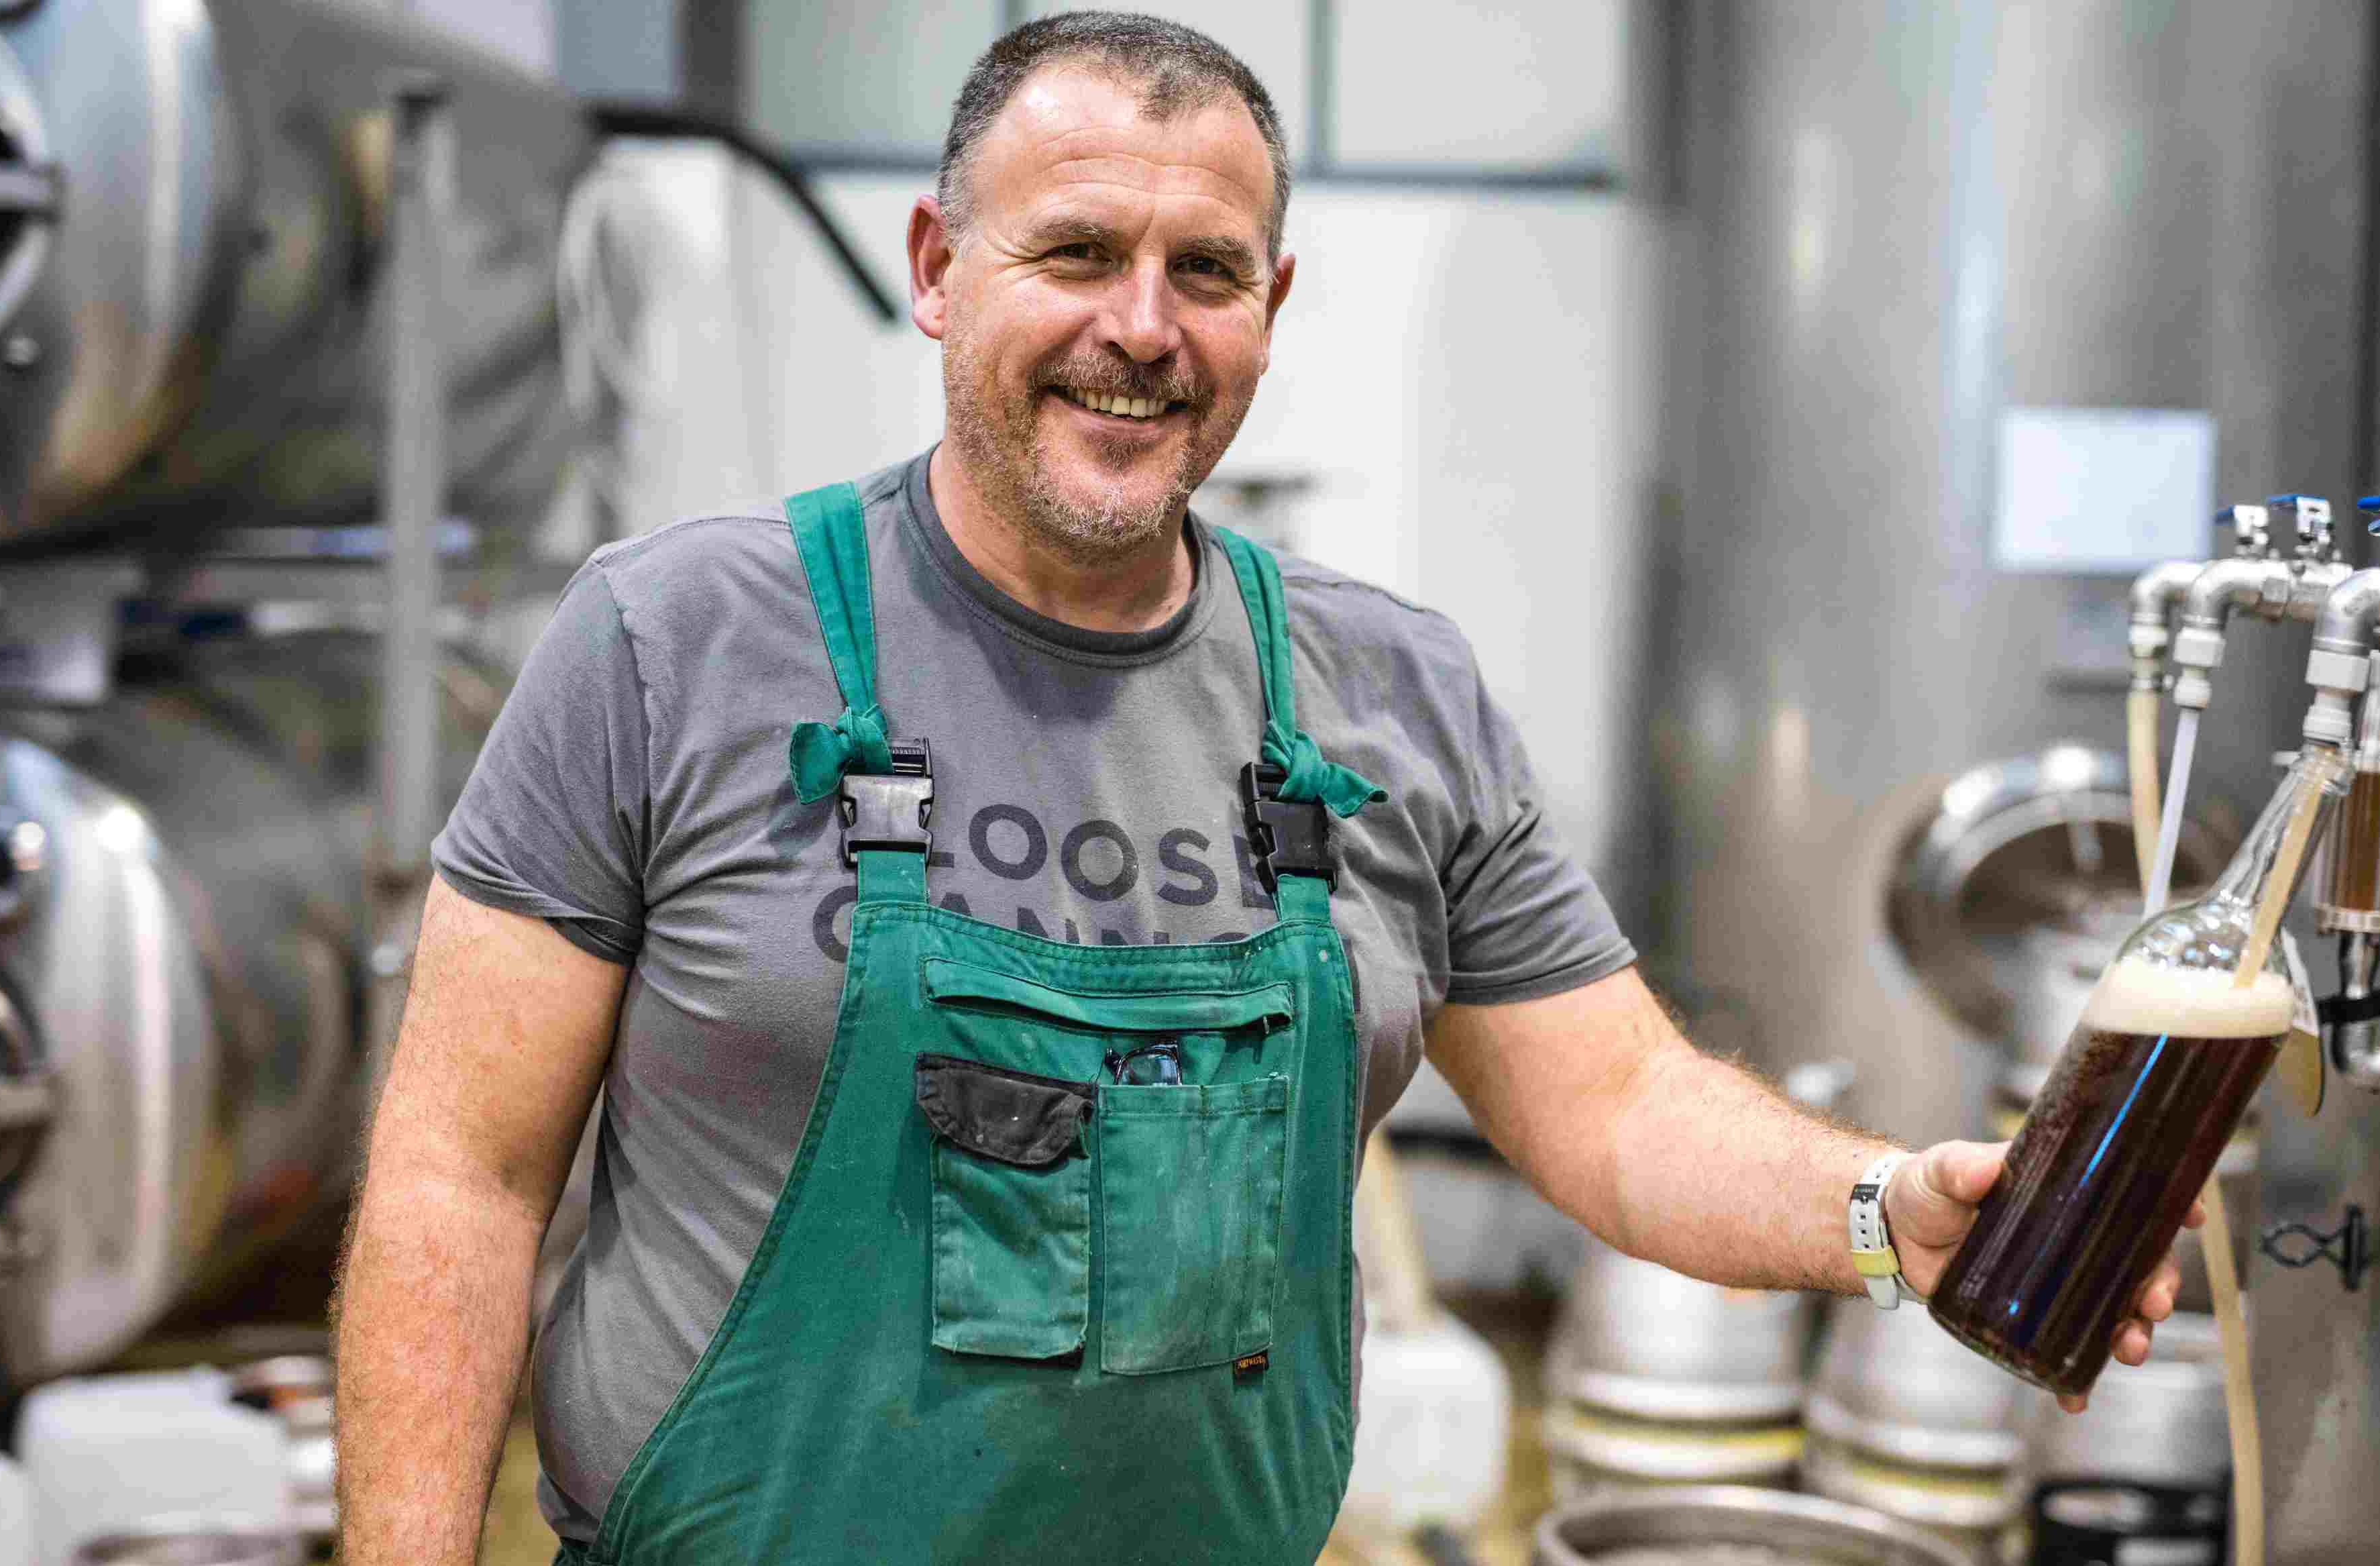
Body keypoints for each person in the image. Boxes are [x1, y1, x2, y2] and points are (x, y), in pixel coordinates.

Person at [332, 13, 2185, 1564]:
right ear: (932, 267)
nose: (1140, 327)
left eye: (1203, 271)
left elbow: (1615, 1111)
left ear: (1268, 303)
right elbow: (460, 1175)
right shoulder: (672, 641)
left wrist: (1888, 1214)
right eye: (1072, 252)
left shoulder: (1388, 693)